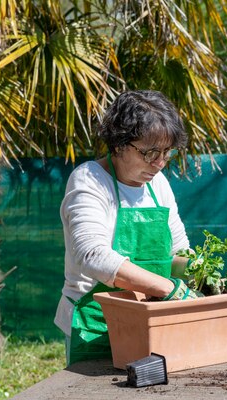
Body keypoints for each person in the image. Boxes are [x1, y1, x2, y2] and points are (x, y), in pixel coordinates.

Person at [54, 90, 198, 365]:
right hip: (95, 324)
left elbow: (179, 251)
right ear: (119, 144)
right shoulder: (89, 180)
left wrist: (202, 274)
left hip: (152, 321)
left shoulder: (158, 184)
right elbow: (94, 256)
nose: (159, 164)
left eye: (167, 153)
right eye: (150, 152)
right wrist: (170, 289)